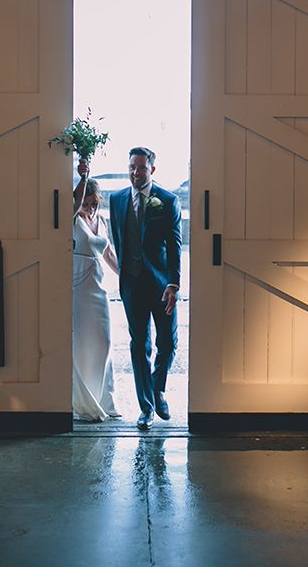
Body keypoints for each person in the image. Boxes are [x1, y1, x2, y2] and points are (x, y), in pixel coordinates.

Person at [109, 147, 181, 430]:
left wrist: (173, 284)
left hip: (162, 285)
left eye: (141, 167)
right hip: (132, 285)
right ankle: (146, 408)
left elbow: (175, 246)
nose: (135, 172)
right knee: (139, 345)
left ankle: (157, 388)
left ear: (152, 170)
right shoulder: (116, 200)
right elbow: (119, 241)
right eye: (131, 167)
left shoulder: (168, 200)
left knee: (168, 342)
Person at [72, 162, 121, 422]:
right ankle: (83, 403)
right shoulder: (70, 218)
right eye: (86, 202)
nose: (90, 207)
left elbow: (108, 253)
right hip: (78, 286)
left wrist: (124, 277)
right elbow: (77, 199)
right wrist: (84, 176)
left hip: (99, 287)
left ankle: (105, 400)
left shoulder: (100, 220)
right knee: (81, 344)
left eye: (94, 203)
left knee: (104, 342)